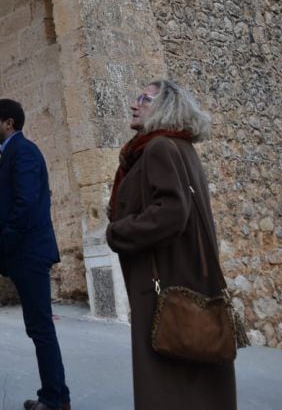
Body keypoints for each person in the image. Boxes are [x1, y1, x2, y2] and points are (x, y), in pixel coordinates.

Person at [106, 80, 236, 410]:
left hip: (162, 278)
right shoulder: (179, 147)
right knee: (191, 376)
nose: (135, 105)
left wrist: (119, 232)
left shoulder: (160, 147)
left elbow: (172, 212)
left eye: (144, 99)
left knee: (164, 378)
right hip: (182, 274)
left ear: (165, 107)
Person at [0, 99, 70, 410]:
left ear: (9, 123)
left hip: (28, 253)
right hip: (22, 252)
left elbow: (27, 204)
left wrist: (4, 243)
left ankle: (53, 400)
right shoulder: (13, 153)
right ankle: (58, 397)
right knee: (39, 327)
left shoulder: (25, 152)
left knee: (41, 328)